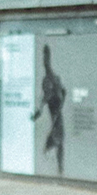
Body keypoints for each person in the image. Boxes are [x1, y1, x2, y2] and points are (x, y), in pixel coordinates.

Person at [33, 44, 67, 176]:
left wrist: (40, 111)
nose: (44, 60)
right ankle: (59, 168)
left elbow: (60, 93)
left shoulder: (52, 80)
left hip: (56, 114)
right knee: (58, 141)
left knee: (58, 141)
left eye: (45, 56)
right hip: (54, 113)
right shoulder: (48, 80)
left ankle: (60, 168)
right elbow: (49, 96)